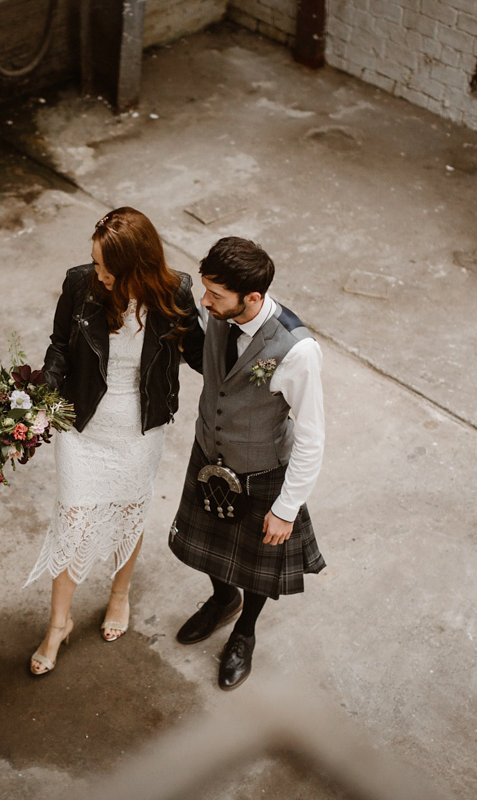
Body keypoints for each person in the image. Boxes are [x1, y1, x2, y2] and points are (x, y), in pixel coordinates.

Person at [25, 207, 203, 675]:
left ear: (136, 268)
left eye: (106, 266)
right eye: (95, 260)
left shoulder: (175, 292)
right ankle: (58, 624)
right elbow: (60, 344)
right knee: (74, 520)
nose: (97, 273)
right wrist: (41, 393)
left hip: (140, 427)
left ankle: (119, 594)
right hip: (82, 424)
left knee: (129, 509)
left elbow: (204, 356)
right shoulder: (79, 283)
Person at [168, 236, 326, 690]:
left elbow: (313, 438)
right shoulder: (217, 313)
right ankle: (222, 600)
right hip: (208, 456)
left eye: (216, 295)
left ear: (252, 298)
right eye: (205, 289)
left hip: (262, 470)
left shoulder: (298, 351)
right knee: (210, 550)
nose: (205, 301)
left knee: (258, 561)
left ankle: (244, 632)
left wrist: (286, 508)